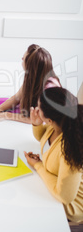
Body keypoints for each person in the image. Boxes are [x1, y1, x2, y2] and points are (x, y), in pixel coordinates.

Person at [24, 87, 83, 223]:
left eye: (39, 108)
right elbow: (43, 138)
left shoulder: (70, 149)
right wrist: (36, 123)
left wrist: (38, 166)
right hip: (56, 183)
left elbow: (64, 196)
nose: (36, 110)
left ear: (50, 120)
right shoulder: (61, 124)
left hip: (70, 203)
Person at [0, 44, 61, 124]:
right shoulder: (34, 77)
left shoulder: (50, 90)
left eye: (23, 59)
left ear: (31, 67)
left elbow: (37, 120)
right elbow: (17, 97)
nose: (21, 59)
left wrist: (5, 115)